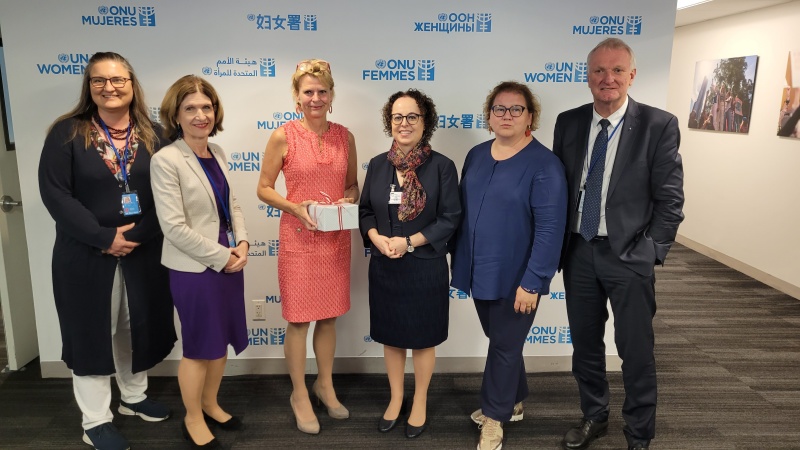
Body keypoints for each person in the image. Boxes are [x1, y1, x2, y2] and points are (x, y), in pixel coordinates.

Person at [38, 51, 176, 450]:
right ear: (89, 87)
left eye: (118, 80)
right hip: (84, 254)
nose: (109, 87)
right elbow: (56, 196)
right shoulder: (67, 133)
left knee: (136, 325)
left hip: (143, 251)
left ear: (132, 85)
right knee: (91, 331)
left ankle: (133, 397)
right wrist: (104, 237)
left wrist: (135, 236)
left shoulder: (156, 134)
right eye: (99, 80)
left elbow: (169, 196)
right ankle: (95, 419)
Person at [552, 38, 685, 450]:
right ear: (587, 75)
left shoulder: (658, 125)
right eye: (598, 71)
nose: (607, 79)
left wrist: (651, 251)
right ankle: (594, 416)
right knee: (586, 346)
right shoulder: (568, 122)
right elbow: (559, 188)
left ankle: (639, 434)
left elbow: (670, 199)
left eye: (616, 70)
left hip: (628, 256)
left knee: (636, 351)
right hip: (579, 251)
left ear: (631, 75)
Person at [450, 81, 568, 450]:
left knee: (503, 346)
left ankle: (495, 417)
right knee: (503, 341)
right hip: (477, 269)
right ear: (489, 115)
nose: (506, 115)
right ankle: (514, 399)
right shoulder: (476, 154)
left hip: (518, 276)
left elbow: (551, 229)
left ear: (530, 116)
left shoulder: (545, 164)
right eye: (499, 108)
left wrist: (533, 281)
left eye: (516, 109)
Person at [256, 59, 359, 435]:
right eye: (308, 92)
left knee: (329, 316)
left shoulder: (345, 136)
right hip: (298, 239)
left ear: (331, 96)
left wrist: (347, 201)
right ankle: (299, 393)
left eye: (322, 91)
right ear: (297, 97)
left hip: (334, 237)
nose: (316, 98)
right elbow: (264, 187)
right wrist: (294, 207)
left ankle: (325, 385)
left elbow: (352, 186)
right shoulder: (283, 135)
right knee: (299, 320)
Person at [151, 75, 249, 448]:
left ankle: (210, 403)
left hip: (227, 261)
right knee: (198, 347)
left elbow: (233, 205)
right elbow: (173, 227)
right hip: (195, 268)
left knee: (220, 340)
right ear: (176, 115)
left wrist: (242, 241)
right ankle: (193, 416)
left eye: (206, 107)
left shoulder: (218, 153)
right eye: (190, 108)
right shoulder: (167, 160)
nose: (200, 115)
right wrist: (224, 256)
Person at [359, 89, 461, 438]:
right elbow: (366, 212)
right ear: (389, 122)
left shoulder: (442, 166)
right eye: (398, 117)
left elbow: (450, 219)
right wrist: (376, 238)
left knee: (422, 338)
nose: (404, 124)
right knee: (391, 336)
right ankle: (395, 397)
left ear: (425, 121)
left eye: (412, 116)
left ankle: (419, 401)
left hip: (425, 266)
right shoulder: (377, 165)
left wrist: (409, 242)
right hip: (385, 265)